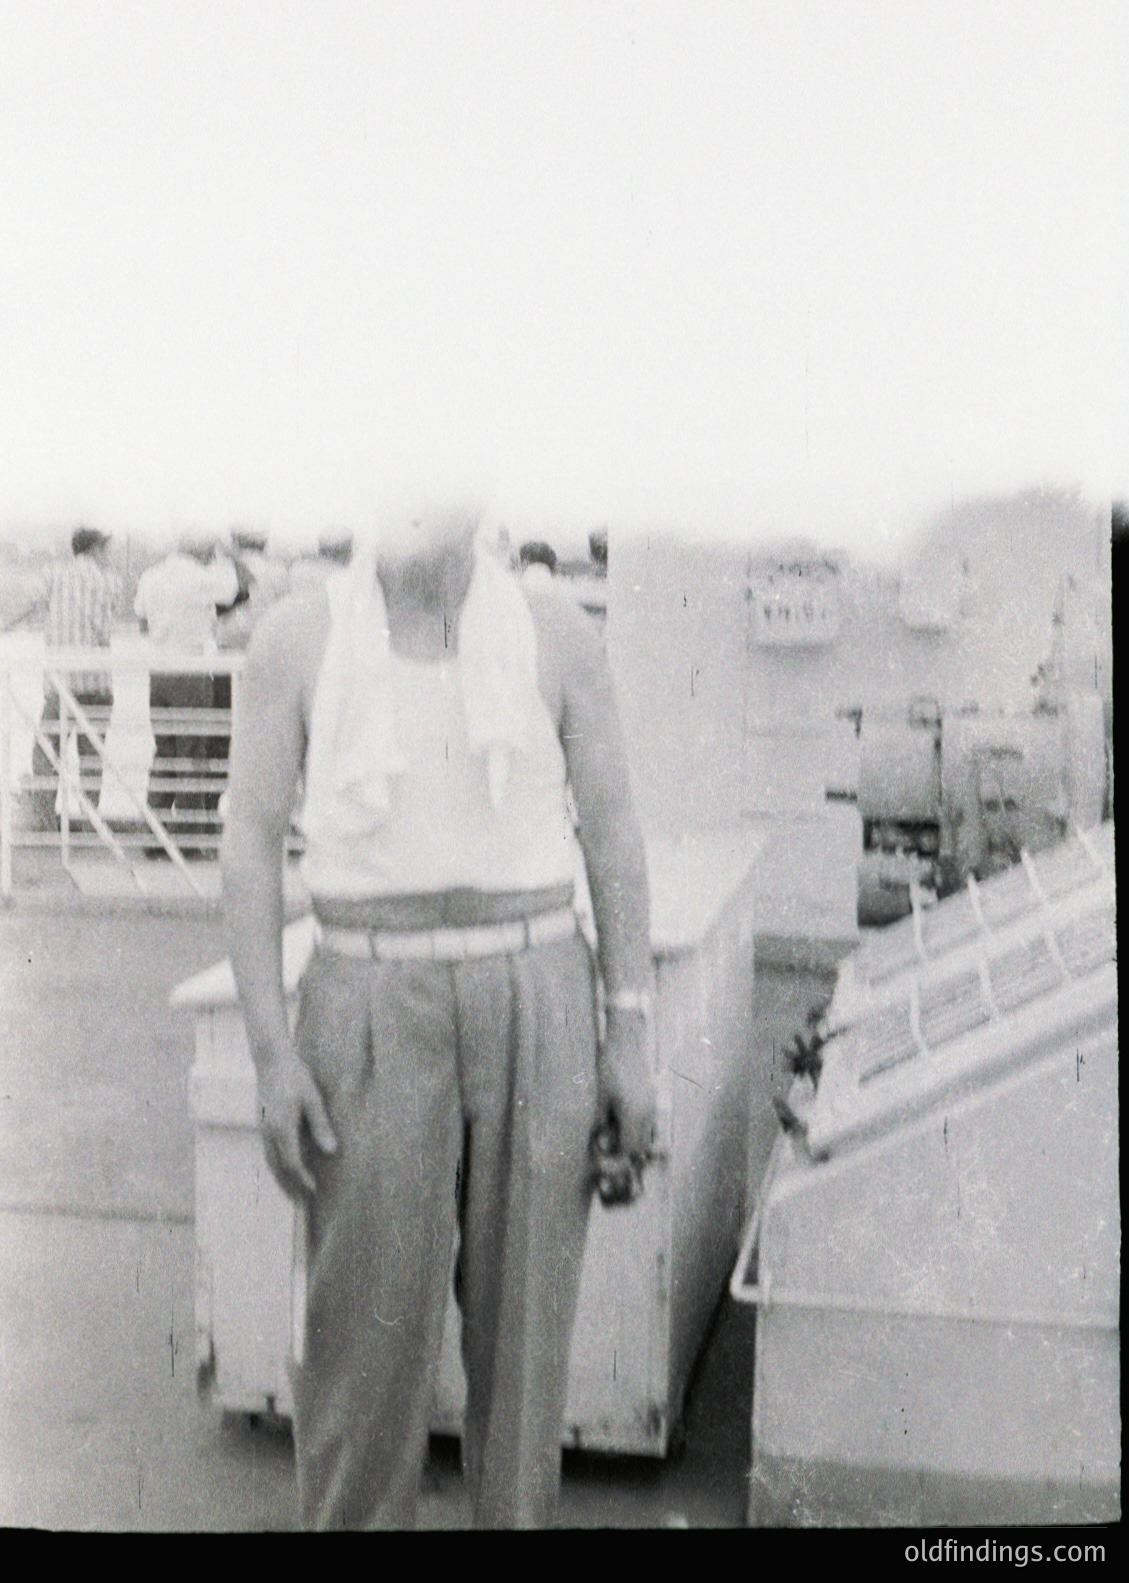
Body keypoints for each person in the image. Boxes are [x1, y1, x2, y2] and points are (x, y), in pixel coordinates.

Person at [221, 500, 657, 1529]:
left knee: (524, 1356)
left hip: (537, 988)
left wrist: (628, 1031)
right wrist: (271, 1055)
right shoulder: (299, 635)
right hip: (366, 999)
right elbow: (247, 841)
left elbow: (615, 831)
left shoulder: (558, 633)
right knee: (361, 1364)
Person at [134, 534, 239, 843]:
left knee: (165, 752)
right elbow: (231, 591)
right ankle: (189, 838)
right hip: (191, 672)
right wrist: (224, 558)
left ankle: (154, 834)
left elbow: (142, 621)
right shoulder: (201, 578)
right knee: (194, 755)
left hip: (159, 673)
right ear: (203, 548)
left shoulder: (152, 575)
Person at [29, 526, 120, 830]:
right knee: (92, 755)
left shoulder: (55, 574)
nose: (110, 555)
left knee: (46, 749)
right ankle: (88, 816)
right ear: (95, 549)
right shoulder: (110, 581)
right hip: (97, 680)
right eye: (107, 548)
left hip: (62, 683)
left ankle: (44, 818)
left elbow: (30, 601)